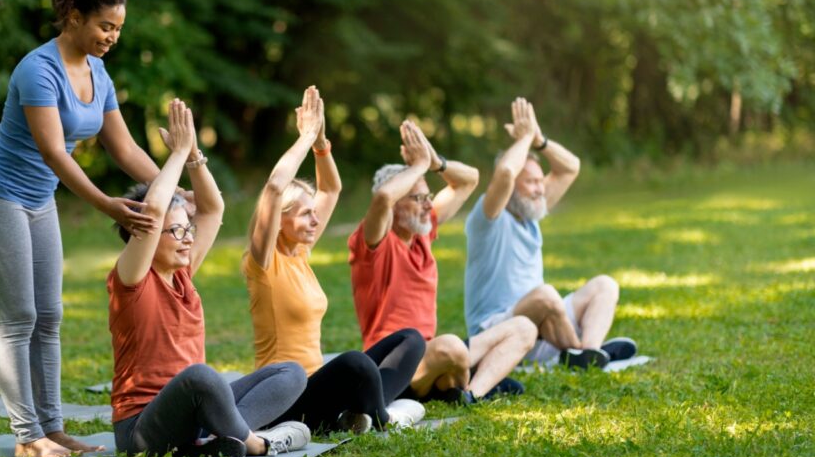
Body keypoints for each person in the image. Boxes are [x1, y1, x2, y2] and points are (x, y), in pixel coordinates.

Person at [0, 0, 162, 457]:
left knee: (50, 315)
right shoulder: (38, 70)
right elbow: (54, 152)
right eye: (104, 26)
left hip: (37, 202)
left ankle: (53, 430)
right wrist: (107, 206)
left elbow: (124, 148)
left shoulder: (99, 74)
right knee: (19, 316)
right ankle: (28, 437)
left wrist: (175, 184)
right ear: (73, 17)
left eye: (118, 28)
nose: (112, 37)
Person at [109, 99, 309, 457]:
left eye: (188, 229)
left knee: (291, 372)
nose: (188, 237)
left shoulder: (183, 271)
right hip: (141, 429)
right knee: (201, 376)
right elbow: (153, 212)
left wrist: (194, 157)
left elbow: (213, 208)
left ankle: (219, 441)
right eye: (176, 231)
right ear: (149, 238)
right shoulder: (132, 278)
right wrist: (176, 154)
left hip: (195, 418)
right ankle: (255, 443)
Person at [244, 87, 427, 434]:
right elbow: (273, 189)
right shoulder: (263, 264)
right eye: (304, 215)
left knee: (411, 340)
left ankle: (361, 413)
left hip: (318, 384)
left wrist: (321, 143)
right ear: (279, 220)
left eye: (315, 214)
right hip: (287, 399)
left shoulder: (300, 255)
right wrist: (305, 136)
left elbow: (331, 190)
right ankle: (381, 419)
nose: (315, 220)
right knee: (355, 363)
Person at [349, 120, 537, 404]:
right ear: (397, 206)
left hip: (431, 352)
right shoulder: (375, 244)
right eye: (417, 198)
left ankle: (471, 392)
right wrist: (418, 165)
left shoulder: (422, 234)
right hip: (394, 365)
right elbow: (383, 197)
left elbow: (470, 179)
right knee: (451, 347)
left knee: (524, 328)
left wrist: (435, 162)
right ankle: (460, 381)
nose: (428, 205)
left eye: (429, 196)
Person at [464, 97, 636, 369]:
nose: (540, 188)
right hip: (498, 332)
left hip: (544, 325)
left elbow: (571, 167)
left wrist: (539, 140)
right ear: (512, 188)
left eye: (540, 181)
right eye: (531, 182)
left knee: (605, 285)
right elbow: (507, 172)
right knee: (545, 295)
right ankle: (579, 352)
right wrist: (524, 138)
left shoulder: (531, 213)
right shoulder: (488, 220)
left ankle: (589, 352)